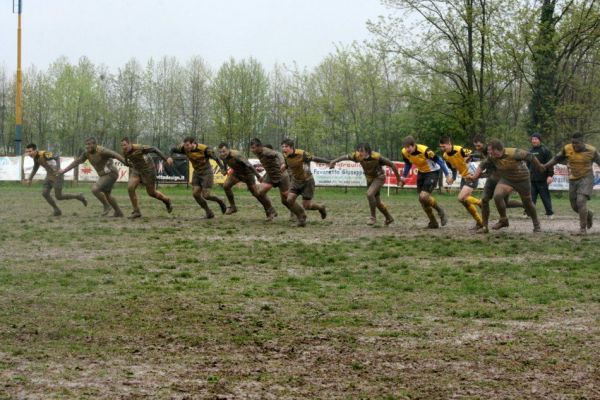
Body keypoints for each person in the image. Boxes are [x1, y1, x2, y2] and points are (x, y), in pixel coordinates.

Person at [468, 139, 544, 232]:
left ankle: (537, 225)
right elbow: (482, 165)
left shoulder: (513, 153)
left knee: (527, 202)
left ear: (498, 149)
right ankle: (503, 220)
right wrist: (474, 176)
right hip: (507, 179)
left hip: (522, 178)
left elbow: (530, 156)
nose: (490, 154)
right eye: (489, 152)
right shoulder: (492, 156)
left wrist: (540, 167)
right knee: (497, 196)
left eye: (491, 151)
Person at [330, 143, 399, 226]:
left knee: (370, 194)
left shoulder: (376, 157)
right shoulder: (357, 156)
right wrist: (334, 161)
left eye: (362, 151)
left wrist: (398, 179)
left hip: (379, 177)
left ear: (367, 151)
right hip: (370, 179)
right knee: (377, 203)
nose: (360, 153)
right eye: (359, 150)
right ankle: (389, 218)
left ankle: (373, 218)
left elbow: (392, 164)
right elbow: (345, 157)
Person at [543, 133, 600, 235]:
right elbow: (556, 159)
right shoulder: (567, 148)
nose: (574, 145)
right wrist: (545, 166)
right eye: (573, 143)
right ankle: (588, 214)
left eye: (576, 143)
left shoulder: (592, 151)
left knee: (581, 201)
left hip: (586, 178)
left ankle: (582, 229)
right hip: (573, 179)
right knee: (574, 206)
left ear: (582, 142)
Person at [59, 137, 126, 217]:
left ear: (95, 144)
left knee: (95, 189)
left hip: (111, 173)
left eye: (89, 144)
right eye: (86, 145)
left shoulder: (102, 150)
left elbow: (115, 154)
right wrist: (64, 170)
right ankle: (118, 212)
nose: (87, 146)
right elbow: (77, 162)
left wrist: (125, 162)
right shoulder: (86, 153)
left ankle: (107, 206)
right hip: (104, 175)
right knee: (107, 194)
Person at [472, 135, 524, 233]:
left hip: (503, 180)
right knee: (484, 200)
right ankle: (485, 227)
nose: (477, 148)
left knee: (505, 203)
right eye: (475, 146)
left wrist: (480, 175)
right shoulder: (484, 153)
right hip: (492, 179)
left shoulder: (492, 151)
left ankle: (520, 208)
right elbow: (485, 164)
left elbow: (495, 166)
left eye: (478, 146)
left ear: (484, 143)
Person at [167, 137, 226, 219]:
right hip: (197, 172)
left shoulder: (204, 149)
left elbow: (216, 158)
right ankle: (209, 212)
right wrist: (169, 157)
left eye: (187, 145)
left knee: (206, 195)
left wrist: (222, 168)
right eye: (185, 145)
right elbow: (173, 149)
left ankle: (220, 201)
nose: (186, 147)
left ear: (193, 143)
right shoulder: (184, 148)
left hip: (206, 172)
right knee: (195, 194)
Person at [400, 136, 450, 229]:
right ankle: (433, 222)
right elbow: (408, 164)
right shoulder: (404, 152)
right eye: (405, 147)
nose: (407, 150)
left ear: (413, 145)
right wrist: (403, 177)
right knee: (422, 200)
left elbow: (439, 160)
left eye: (408, 147)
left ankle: (440, 211)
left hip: (432, 172)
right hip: (421, 173)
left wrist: (447, 175)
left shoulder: (425, 151)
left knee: (423, 196)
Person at [25, 143, 87, 216]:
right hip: (49, 176)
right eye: (27, 152)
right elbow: (35, 168)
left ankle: (78, 196)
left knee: (59, 196)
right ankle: (57, 210)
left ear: (35, 150)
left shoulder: (44, 154)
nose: (28, 153)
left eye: (30, 151)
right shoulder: (35, 158)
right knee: (45, 193)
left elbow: (57, 157)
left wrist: (58, 169)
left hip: (58, 176)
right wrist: (30, 179)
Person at [217, 143, 276, 219]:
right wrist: (224, 170)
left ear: (228, 149)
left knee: (257, 194)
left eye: (224, 151)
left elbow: (249, 165)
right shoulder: (222, 156)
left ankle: (270, 210)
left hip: (247, 174)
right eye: (220, 152)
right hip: (236, 173)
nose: (222, 153)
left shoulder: (236, 155)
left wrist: (258, 176)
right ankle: (233, 207)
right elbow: (225, 161)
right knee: (226, 186)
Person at [249, 138, 303, 221]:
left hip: (281, 176)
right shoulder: (258, 152)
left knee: (286, 199)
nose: (252, 150)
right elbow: (269, 166)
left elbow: (278, 154)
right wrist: (262, 176)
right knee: (258, 192)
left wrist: (282, 163)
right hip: (271, 176)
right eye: (251, 148)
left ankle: (299, 213)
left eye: (253, 148)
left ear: (259, 147)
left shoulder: (266, 151)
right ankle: (271, 211)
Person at [280, 138, 329, 227]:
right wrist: (285, 166)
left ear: (291, 147)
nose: (284, 148)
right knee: (289, 200)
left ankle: (321, 207)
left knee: (306, 205)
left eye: (286, 146)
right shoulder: (285, 155)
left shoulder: (302, 153)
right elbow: (289, 163)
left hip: (307, 181)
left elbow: (315, 158)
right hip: (295, 181)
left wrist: (329, 162)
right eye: (282, 146)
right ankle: (302, 218)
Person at [120, 137, 173, 219]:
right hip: (137, 170)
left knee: (151, 193)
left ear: (130, 144)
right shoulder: (124, 151)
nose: (124, 147)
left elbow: (154, 149)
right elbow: (126, 160)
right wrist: (127, 163)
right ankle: (136, 211)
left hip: (149, 170)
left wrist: (165, 159)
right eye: (122, 145)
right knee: (130, 188)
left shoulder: (140, 148)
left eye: (125, 145)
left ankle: (167, 200)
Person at [439, 136, 483, 229]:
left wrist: (470, 158)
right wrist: (453, 178)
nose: (442, 149)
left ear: (449, 144)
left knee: (461, 198)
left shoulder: (460, 150)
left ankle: (481, 203)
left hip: (472, 175)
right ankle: (479, 222)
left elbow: (475, 155)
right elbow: (453, 168)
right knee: (465, 202)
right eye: (441, 147)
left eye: (444, 146)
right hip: (464, 177)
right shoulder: (445, 156)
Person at [528, 133, 554, 219]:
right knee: (531, 198)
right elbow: (527, 165)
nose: (534, 141)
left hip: (542, 179)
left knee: (545, 197)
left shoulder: (545, 150)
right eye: (533, 139)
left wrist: (550, 176)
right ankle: (529, 213)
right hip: (532, 179)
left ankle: (549, 213)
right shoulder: (530, 151)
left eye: (536, 139)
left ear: (539, 140)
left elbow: (550, 164)